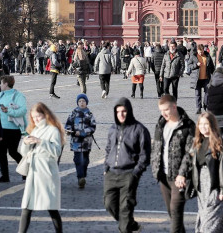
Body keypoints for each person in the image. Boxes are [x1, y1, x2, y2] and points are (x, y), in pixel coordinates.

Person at [104, 98, 151, 233]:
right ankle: (131, 224)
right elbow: (108, 149)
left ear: (129, 111)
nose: (121, 114)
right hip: (111, 173)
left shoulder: (139, 129)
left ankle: (126, 227)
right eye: (118, 112)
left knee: (125, 208)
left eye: (124, 111)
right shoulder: (112, 129)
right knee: (109, 205)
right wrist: (106, 167)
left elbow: (145, 154)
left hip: (129, 174)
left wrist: (135, 172)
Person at [151, 94, 195, 233]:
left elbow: (190, 152)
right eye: (161, 110)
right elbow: (157, 146)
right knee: (173, 214)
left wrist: (182, 174)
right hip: (163, 176)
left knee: (176, 212)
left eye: (166, 110)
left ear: (174, 106)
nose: (163, 113)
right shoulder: (160, 124)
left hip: (179, 178)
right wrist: (154, 166)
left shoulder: (188, 126)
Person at [18, 102, 64, 233]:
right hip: (34, 173)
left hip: (47, 173)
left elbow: (56, 151)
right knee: (26, 207)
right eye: (34, 117)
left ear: (45, 114)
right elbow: (25, 153)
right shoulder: (34, 130)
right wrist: (25, 143)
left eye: (38, 116)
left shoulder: (52, 130)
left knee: (52, 208)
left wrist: (40, 141)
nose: (36, 119)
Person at [190, 112, 223, 233]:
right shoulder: (197, 143)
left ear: (212, 125)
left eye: (206, 124)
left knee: (210, 227)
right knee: (202, 226)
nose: (203, 127)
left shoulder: (221, 144)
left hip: (215, 189)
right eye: (201, 124)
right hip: (202, 191)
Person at [0, 75, 27, 183]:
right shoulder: (0, 94)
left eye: (1, 83)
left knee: (13, 152)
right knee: (1, 153)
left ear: (6, 84)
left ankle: (26, 170)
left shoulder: (18, 95)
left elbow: (22, 111)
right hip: (1, 128)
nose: (0, 85)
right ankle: (5, 176)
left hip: (13, 129)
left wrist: (8, 111)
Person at [65, 94, 96, 189]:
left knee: (85, 160)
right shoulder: (73, 113)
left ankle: (83, 173)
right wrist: (69, 131)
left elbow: (93, 127)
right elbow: (68, 124)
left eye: (83, 101)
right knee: (77, 159)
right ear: (77, 103)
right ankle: (80, 178)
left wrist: (82, 132)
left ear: (86, 103)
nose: (81, 103)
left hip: (86, 142)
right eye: (80, 101)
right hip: (76, 141)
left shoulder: (90, 114)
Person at [187, 44, 215, 114]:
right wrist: (196, 65)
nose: (201, 53)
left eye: (202, 51)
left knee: (207, 92)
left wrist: (214, 74)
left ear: (203, 50)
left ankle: (205, 105)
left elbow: (212, 66)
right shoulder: (193, 56)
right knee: (197, 94)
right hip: (197, 78)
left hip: (206, 78)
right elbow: (189, 65)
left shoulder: (207, 56)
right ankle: (198, 108)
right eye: (199, 52)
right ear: (197, 50)